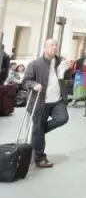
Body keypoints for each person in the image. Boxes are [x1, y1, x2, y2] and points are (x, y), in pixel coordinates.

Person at [22, 38, 70, 169]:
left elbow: (67, 79)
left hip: (56, 101)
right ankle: (40, 158)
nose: (54, 47)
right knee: (38, 129)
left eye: (56, 45)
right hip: (40, 102)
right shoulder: (35, 64)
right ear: (45, 47)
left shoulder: (60, 62)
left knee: (63, 118)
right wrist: (34, 84)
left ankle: (38, 132)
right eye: (51, 45)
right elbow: (25, 81)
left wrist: (68, 70)